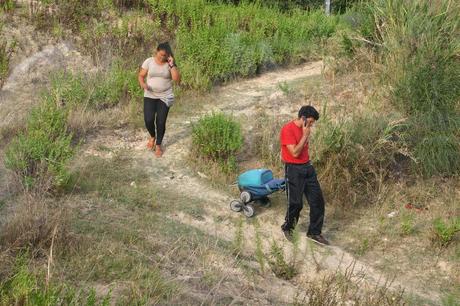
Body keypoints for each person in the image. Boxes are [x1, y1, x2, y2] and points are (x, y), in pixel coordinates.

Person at [279, 105, 329, 245]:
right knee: (296, 203)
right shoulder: (287, 129)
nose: (312, 125)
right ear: (303, 118)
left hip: (308, 167)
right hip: (293, 170)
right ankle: (288, 228)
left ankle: (314, 232)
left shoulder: (305, 129)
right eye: (311, 122)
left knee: (317, 201)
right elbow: (294, 152)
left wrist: (305, 134)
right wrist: (305, 136)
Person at [138, 42, 181, 157]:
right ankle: (152, 136)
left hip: (165, 96)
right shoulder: (149, 61)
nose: (162, 57)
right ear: (156, 51)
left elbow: (177, 80)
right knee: (148, 120)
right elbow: (141, 76)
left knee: (161, 121)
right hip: (150, 95)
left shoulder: (170, 64)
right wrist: (143, 84)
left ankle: (158, 145)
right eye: (160, 54)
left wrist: (172, 65)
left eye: (165, 55)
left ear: (168, 55)